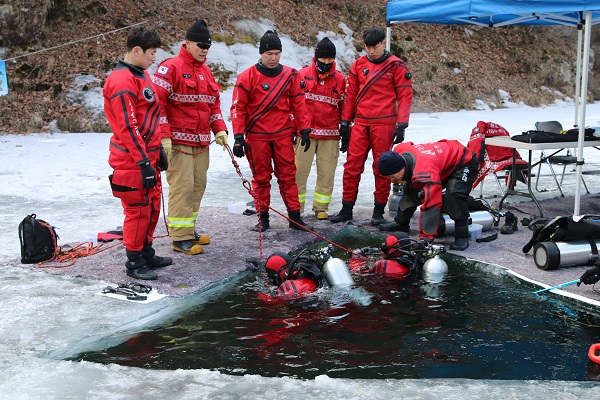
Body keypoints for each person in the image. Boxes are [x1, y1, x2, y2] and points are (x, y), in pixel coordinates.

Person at [152, 19, 228, 255]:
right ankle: (180, 237)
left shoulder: (206, 72)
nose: (204, 50)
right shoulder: (170, 68)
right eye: (200, 45)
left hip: (201, 143)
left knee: (197, 187)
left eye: (208, 46)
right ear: (187, 43)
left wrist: (220, 129)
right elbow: (156, 105)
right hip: (178, 144)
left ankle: (188, 229)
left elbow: (213, 105)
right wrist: (164, 137)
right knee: (182, 188)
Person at [104, 26, 172, 280]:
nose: (154, 58)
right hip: (131, 160)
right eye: (151, 53)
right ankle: (133, 261)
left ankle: (146, 252)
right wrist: (143, 161)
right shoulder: (121, 80)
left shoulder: (142, 75)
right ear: (136, 51)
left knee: (152, 207)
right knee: (138, 210)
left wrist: (158, 150)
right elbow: (128, 126)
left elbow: (149, 117)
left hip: (148, 155)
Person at [230, 30, 313, 232]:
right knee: (261, 178)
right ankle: (263, 218)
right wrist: (239, 136)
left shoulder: (290, 75)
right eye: (269, 54)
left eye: (277, 53)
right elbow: (238, 108)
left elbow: (299, 103)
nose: (273, 58)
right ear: (261, 54)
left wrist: (304, 129)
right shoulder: (247, 77)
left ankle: (295, 217)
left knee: (288, 176)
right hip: (257, 137)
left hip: (283, 134)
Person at [330, 26, 413, 226]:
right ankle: (346, 208)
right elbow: (350, 96)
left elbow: (405, 95)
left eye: (375, 47)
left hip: (384, 124)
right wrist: (345, 123)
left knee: (382, 168)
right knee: (352, 166)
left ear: (384, 43)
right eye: (368, 47)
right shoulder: (359, 65)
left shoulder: (396, 66)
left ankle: (378, 211)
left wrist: (402, 125)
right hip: (361, 122)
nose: (372, 51)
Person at [376, 140, 479, 251]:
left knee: (454, 195)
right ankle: (401, 223)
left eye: (392, 176)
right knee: (411, 188)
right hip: (438, 161)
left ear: (401, 167)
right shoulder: (399, 151)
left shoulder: (424, 173)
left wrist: (426, 238)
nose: (391, 181)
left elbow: (432, 204)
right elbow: (410, 146)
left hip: (464, 160)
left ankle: (462, 234)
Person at [294, 37, 346, 220]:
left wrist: (346, 129)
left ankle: (321, 207)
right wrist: (293, 130)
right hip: (305, 133)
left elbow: (345, 107)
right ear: (316, 58)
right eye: (323, 58)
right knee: (299, 171)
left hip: (330, 134)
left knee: (327, 172)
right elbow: (294, 105)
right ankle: (296, 208)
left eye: (330, 59)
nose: (326, 62)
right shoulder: (301, 75)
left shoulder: (340, 79)